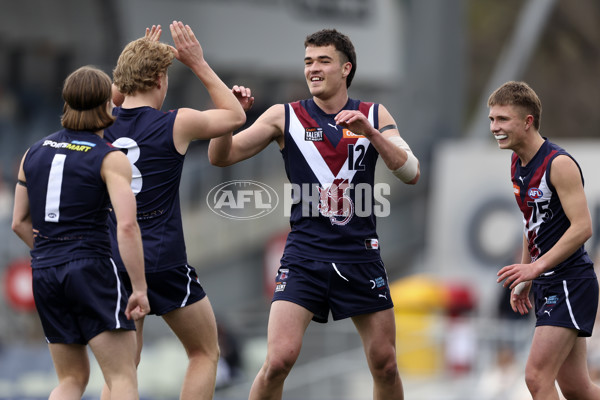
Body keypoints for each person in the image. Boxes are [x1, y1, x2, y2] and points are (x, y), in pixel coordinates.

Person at [208, 28, 418, 400]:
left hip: (359, 255)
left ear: (345, 68)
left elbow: (411, 171)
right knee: (278, 360)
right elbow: (221, 156)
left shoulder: (374, 114)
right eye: (308, 61)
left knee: (385, 363)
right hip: (305, 255)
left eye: (323, 61)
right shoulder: (282, 116)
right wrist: (230, 119)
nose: (313, 69)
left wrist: (371, 132)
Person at [101, 21, 246, 400]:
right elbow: (234, 116)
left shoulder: (99, 123)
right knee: (204, 352)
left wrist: (135, 61)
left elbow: (115, 94)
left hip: (114, 258)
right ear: (160, 79)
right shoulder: (175, 123)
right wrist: (198, 63)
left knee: (120, 372)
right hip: (163, 259)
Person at [11, 65, 149, 400]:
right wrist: (140, 288)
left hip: (44, 271)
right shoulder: (110, 158)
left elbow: (18, 222)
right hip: (91, 267)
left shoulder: (33, 152)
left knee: (71, 379)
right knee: (122, 377)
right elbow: (127, 225)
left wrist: (52, 254)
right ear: (107, 106)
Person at [491, 81, 600, 400]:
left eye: (502, 120)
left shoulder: (559, 164)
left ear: (528, 122)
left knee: (536, 378)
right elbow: (531, 225)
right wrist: (524, 276)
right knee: (577, 389)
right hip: (548, 283)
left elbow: (583, 228)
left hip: (570, 282)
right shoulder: (517, 163)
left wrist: (534, 268)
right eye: (492, 120)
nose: (495, 127)